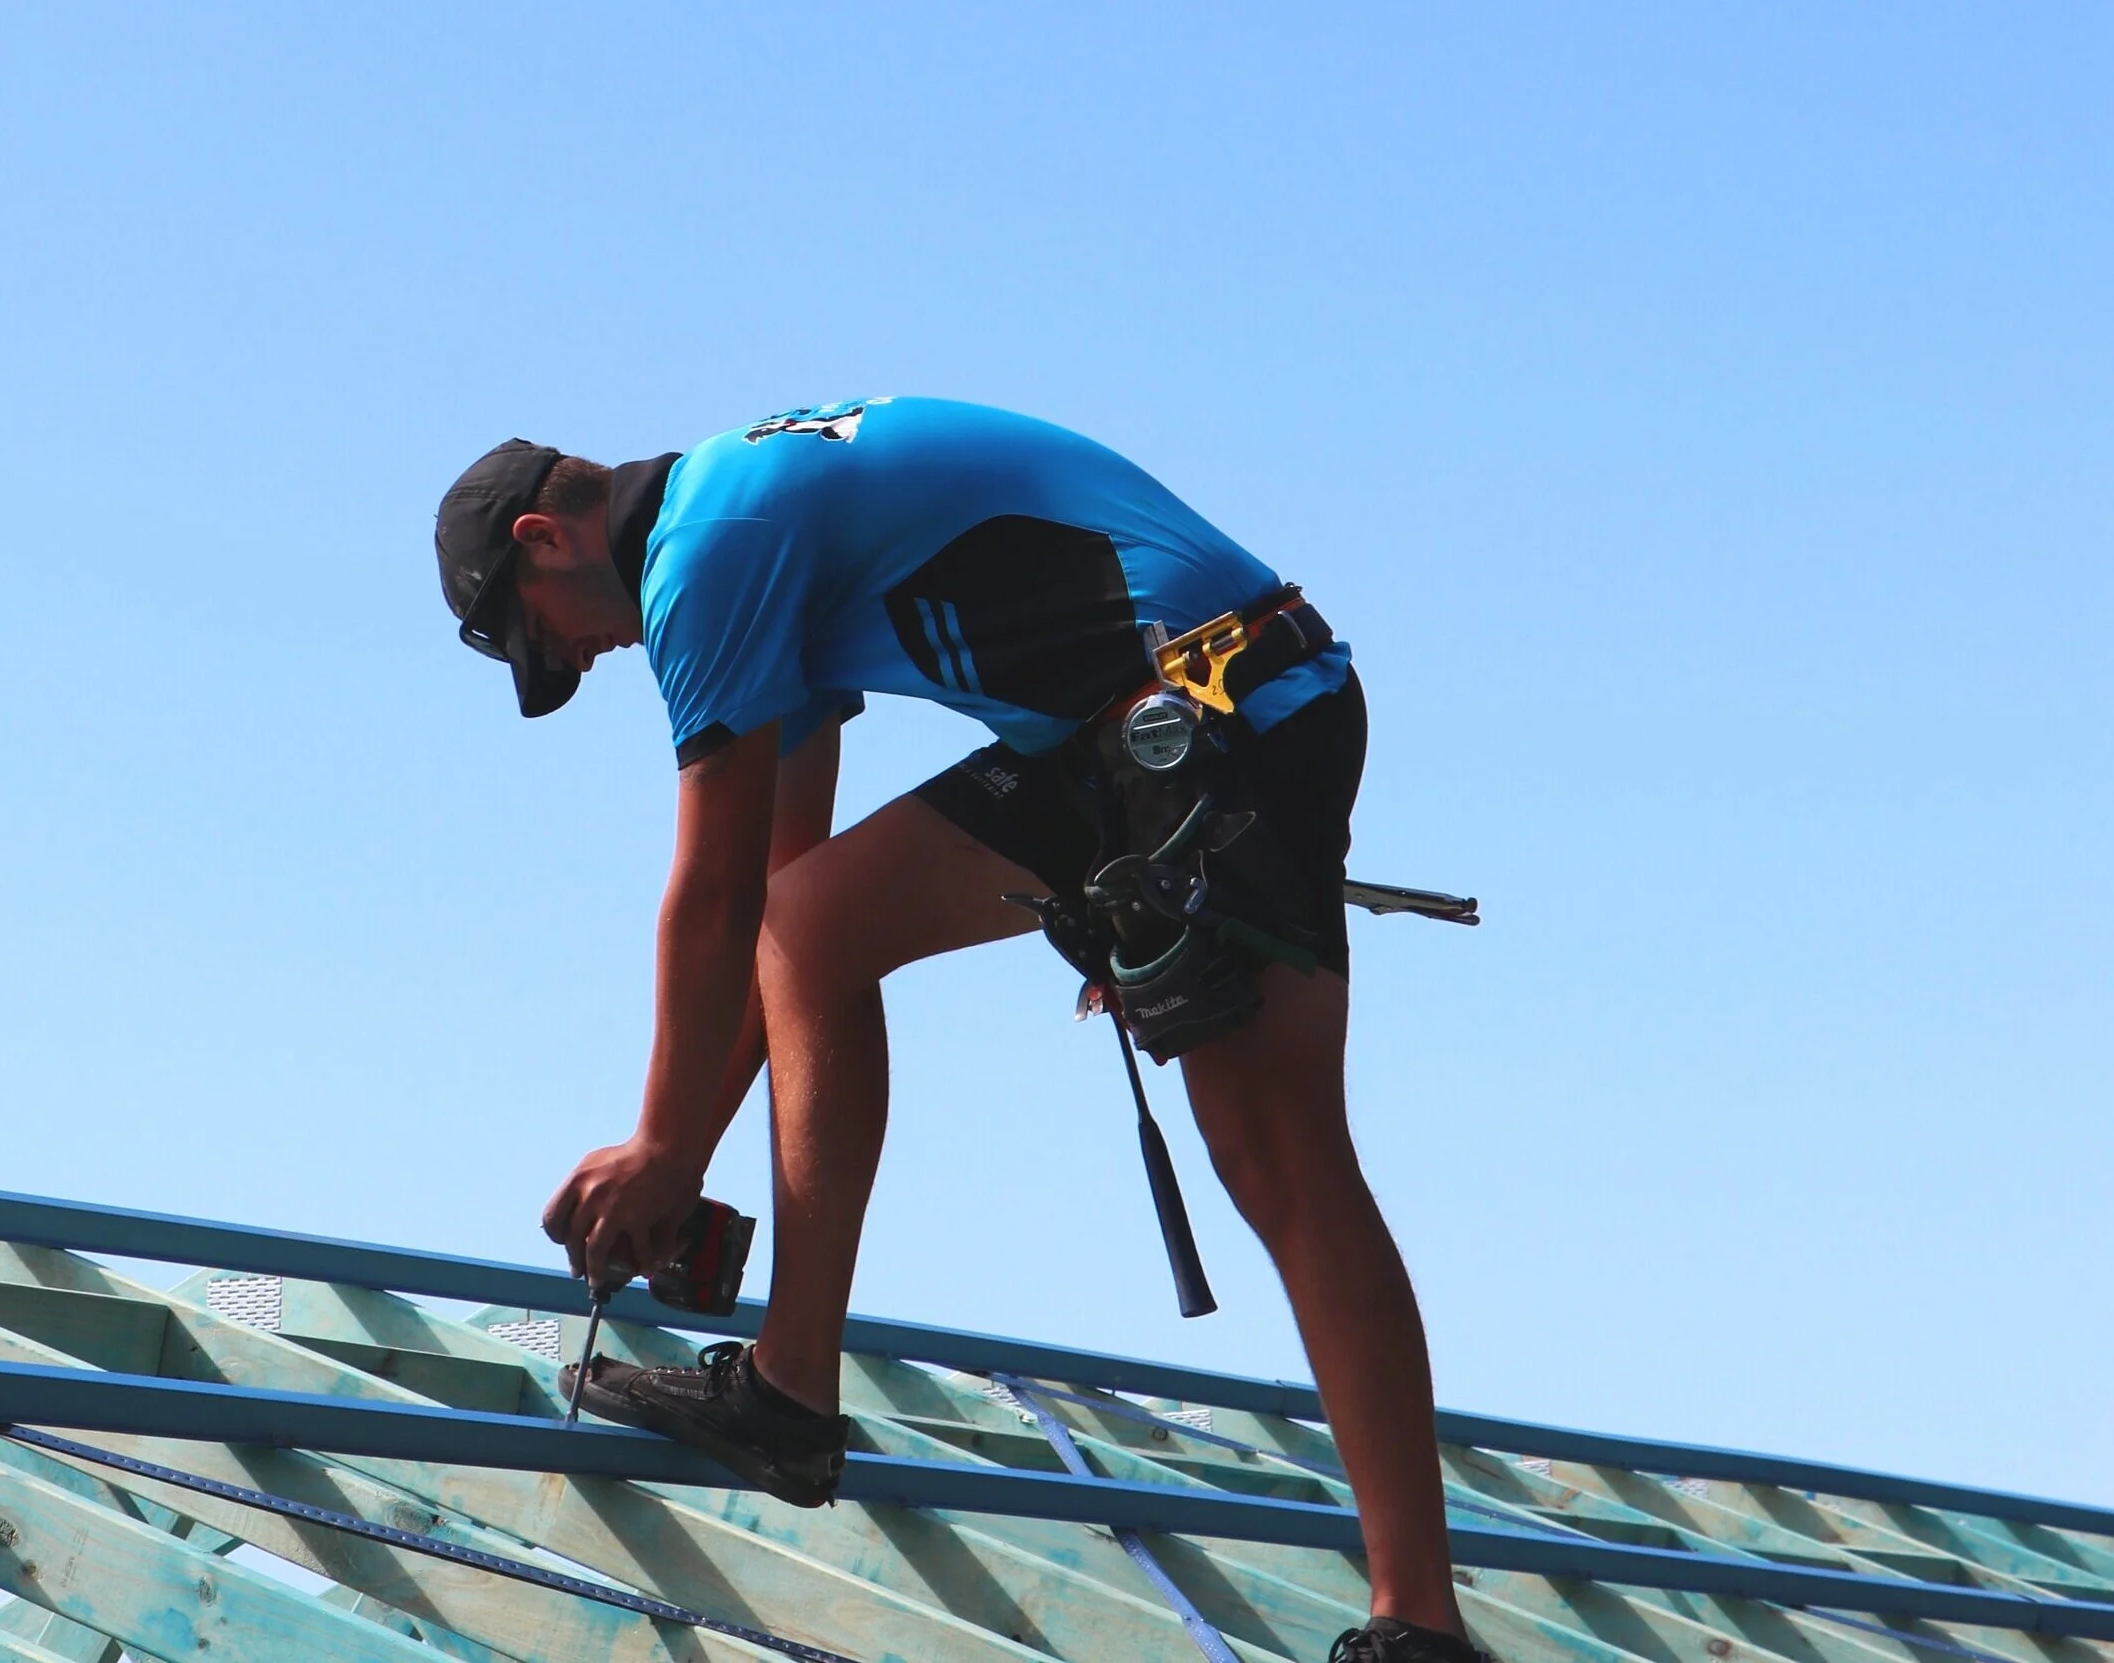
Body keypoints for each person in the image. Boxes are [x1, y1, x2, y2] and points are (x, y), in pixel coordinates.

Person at [434, 397, 1481, 1663]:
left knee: (1282, 1161)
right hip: (1121, 733)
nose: (578, 659)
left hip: (1217, 709)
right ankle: (788, 1390)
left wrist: (657, 1144)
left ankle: (1420, 1626)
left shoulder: (705, 549)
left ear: (544, 537)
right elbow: (774, 907)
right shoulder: (743, 536)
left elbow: (706, 896)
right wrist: (678, 1160)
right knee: (815, 923)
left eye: (540, 638)